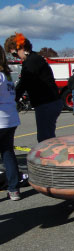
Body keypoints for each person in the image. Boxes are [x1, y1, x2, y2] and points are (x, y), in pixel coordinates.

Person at [4, 33, 62, 143]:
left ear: (21, 48)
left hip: (46, 103)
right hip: (49, 102)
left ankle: (49, 159)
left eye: (15, 54)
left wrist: (12, 99)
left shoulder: (32, 61)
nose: (16, 57)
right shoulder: (34, 59)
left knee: (45, 138)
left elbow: (24, 83)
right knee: (47, 136)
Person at [0, 46, 21, 200]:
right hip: (10, 119)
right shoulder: (6, 76)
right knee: (7, 153)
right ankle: (14, 189)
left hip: (1, 119)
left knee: (7, 153)